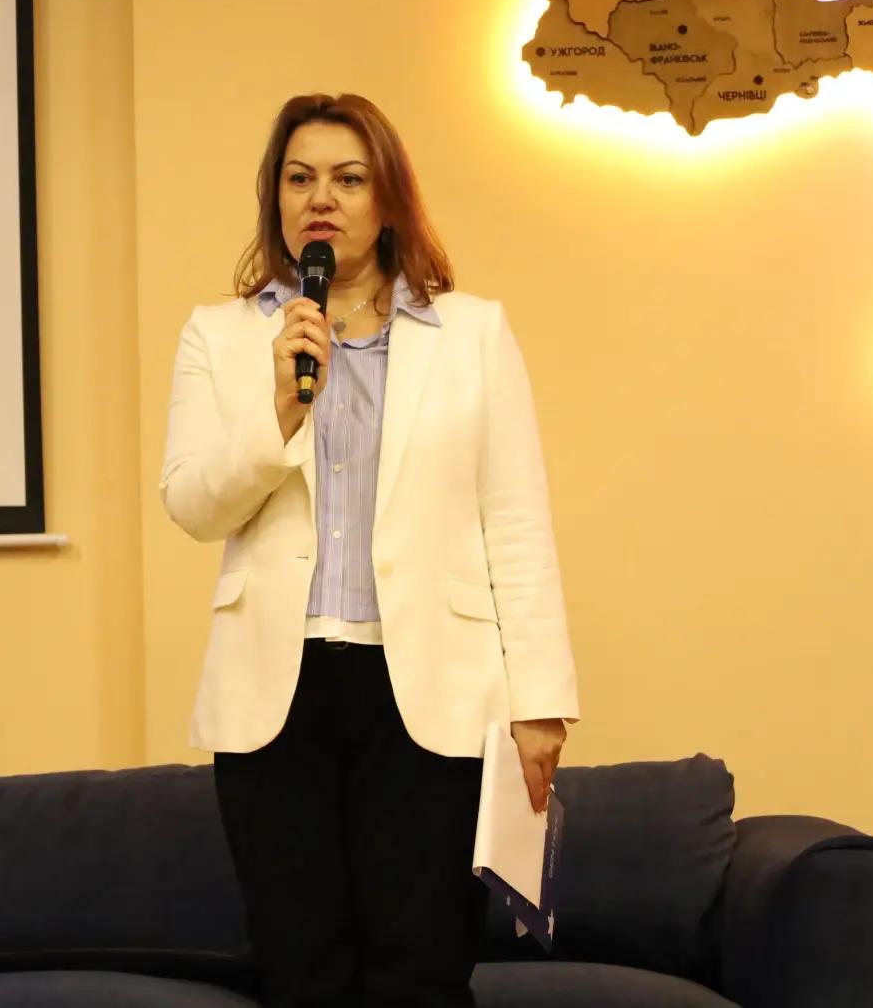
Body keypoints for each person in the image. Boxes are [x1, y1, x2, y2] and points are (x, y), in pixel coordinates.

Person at [158, 93, 580, 1008]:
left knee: (421, 968)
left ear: (387, 200)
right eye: (300, 178)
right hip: (278, 693)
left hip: (430, 686)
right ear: (275, 198)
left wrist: (541, 700)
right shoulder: (221, 336)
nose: (322, 198)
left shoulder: (472, 334)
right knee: (302, 967)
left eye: (349, 179)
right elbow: (191, 504)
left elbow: (516, 519)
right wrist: (279, 411)